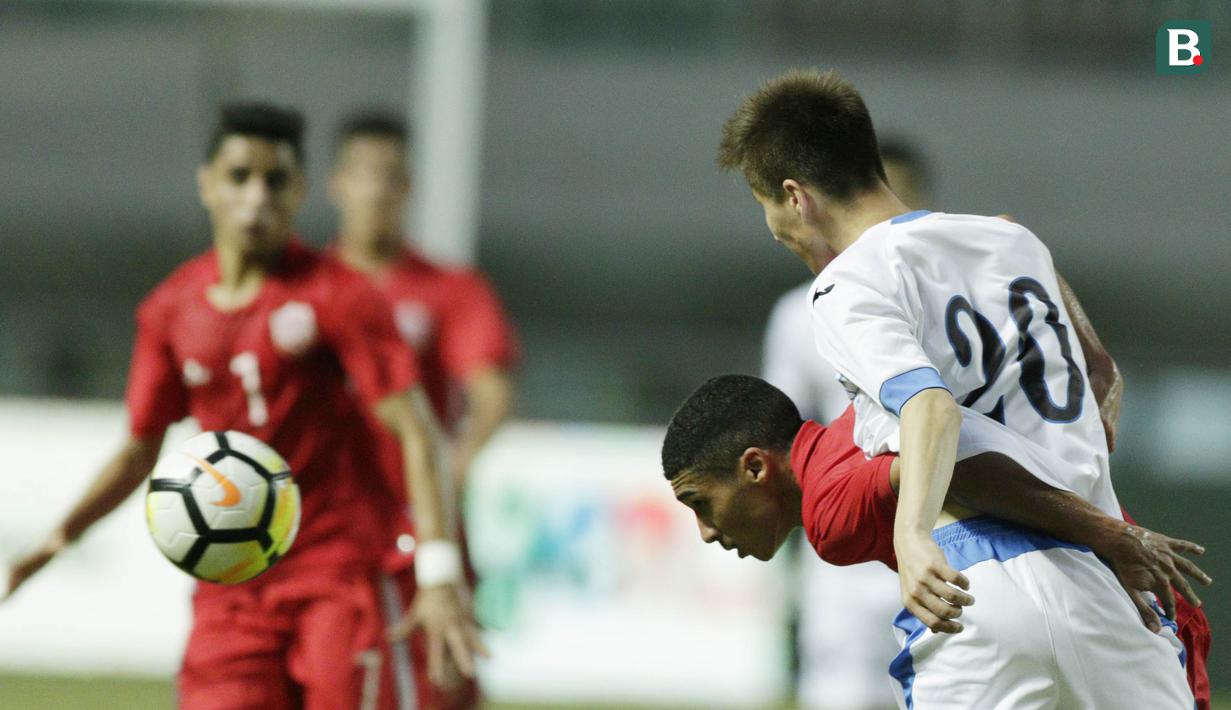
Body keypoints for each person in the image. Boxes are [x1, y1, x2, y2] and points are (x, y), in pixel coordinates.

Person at [717, 69, 1202, 706]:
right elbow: (1103, 378)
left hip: (974, 582)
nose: (780, 235)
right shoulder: (1015, 242)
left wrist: (912, 532)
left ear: (794, 195)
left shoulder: (845, 286)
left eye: (769, 212)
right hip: (1107, 584)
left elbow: (932, 407)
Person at [2, 103, 483, 709]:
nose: (257, 196)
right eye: (239, 177)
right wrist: (57, 537)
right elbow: (139, 448)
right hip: (231, 584)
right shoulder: (171, 310)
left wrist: (438, 573)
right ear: (206, 184)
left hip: (338, 579)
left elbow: (417, 430)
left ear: (302, 191)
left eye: (276, 180)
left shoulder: (339, 296)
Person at [663, 375, 1204, 709]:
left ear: (755, 467)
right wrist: (1098, 359)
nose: (707, 532)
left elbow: (957, 467)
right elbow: (1006, 233)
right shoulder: (861, 416)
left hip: (1012, 584)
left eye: (701, 503)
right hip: (1123, 596)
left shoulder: (828, 508)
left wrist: (1109, 534)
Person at [328, 109, 519, 710]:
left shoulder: (448, 289)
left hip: (423, 524)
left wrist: (457, 459)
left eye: (390, 175)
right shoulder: (308, 290)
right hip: (330, 528)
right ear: (335, 184)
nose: (376, 190)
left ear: (407, 187)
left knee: (442, 684)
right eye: (362, 173)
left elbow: (490, 389)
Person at [762, 140, 930, 710]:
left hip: (939, 544)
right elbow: (783, 437)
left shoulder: (944, 297)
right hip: (845, 562)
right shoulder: (799, 314)